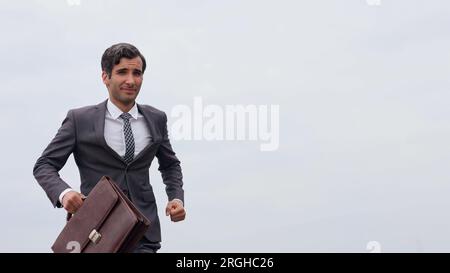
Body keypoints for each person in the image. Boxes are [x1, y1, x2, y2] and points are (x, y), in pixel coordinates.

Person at [33, 43, 186, 253]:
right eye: (122, 72)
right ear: (105, 77)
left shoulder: (156, 118)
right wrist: (64, 193)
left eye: (137, 73)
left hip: (143, 234)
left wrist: (176, 198)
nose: (131, 80)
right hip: (97, 234)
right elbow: (44, 165)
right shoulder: (80, 120)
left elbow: (170, 165)